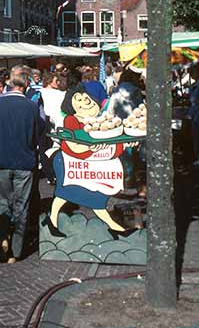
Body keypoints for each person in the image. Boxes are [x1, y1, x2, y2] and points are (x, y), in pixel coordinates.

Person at [47, 85, 134, 234]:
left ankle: (115, 228)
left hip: (93, 166)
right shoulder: (71, 120)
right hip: (70, 164)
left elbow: (111, 144)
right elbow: (73, 145)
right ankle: (52, 223)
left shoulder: (101, 120)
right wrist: (89, 148)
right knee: (65, 193)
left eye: (86, 97)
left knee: (97, 197)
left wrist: (125, 143)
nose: (85, 101)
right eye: (79, 100)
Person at [0, 71, 44, 263]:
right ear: (25, 85)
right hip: (24, 163)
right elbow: (38, 135)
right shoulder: (31, 106)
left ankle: (3, 240)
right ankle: (16, 251)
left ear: (10, 84)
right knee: (21, 206)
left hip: (1, 161)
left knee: (2, 204)